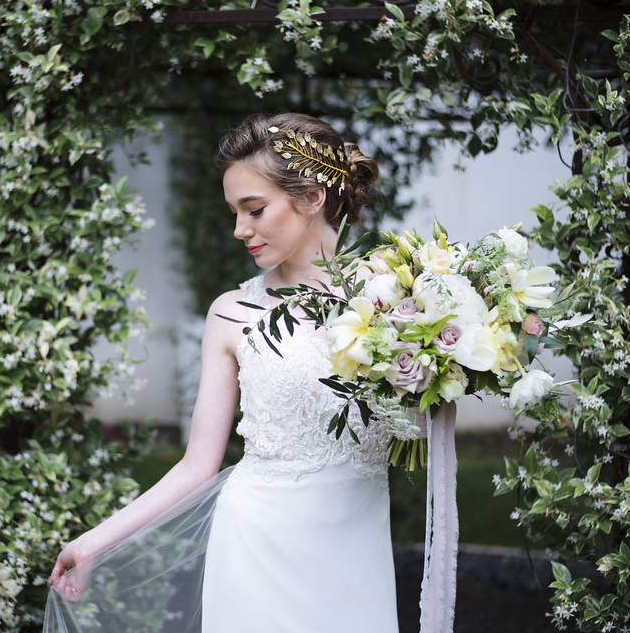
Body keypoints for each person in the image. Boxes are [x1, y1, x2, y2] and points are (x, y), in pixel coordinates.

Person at [43, 113, 398, 632]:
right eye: (234, 212)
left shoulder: (398, 297)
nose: (240, 230)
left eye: (254, 209)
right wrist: (93, 542)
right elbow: (197, 465)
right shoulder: (231, 314)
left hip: (356, 548)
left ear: (312, 197)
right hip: (255, 546)